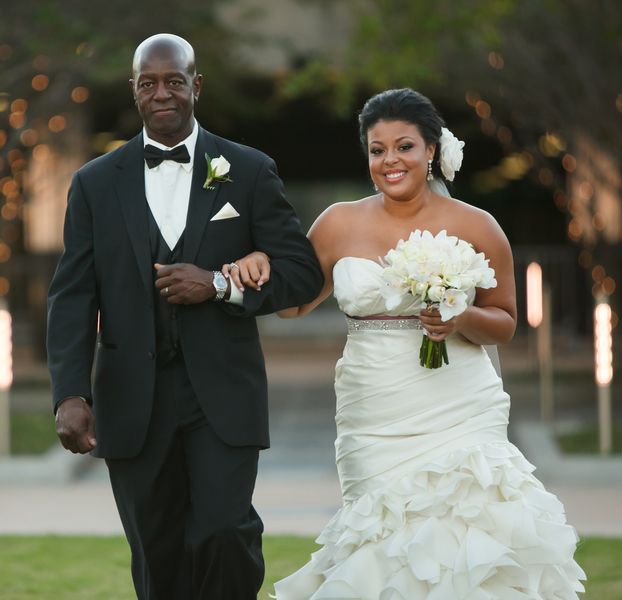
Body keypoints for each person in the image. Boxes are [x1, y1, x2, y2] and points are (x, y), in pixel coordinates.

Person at [229, 88, 586, 599]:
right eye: (378, 150)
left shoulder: (476, 225)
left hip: (460, 405)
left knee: (471, 532)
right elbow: (292, 303)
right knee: (382, 543)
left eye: (404, 147)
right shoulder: (337, 222)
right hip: (373, 410)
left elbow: (506, 322)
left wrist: (459, 316)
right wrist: (255, 263)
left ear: (432, 151)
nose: (390, 161)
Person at [46, 34, 323, 600]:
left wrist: (220, 285)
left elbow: (303, 273)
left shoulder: (247, 171)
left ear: (196, 86)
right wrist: (70, 392)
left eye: (175, 81)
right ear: (134, 92)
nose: (162, 93)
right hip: (131, 397)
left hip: (221, 391)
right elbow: (73, 295)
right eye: (149, 83)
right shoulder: (94, 183)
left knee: (226, 532)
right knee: (156, 550)